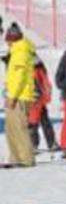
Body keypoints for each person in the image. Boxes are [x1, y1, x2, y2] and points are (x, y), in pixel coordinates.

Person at [4, 23, 37, 167]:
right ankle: (15, 158)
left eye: (8, 39)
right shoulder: (16, 52)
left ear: (13, 39)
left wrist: (13, 97)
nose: (7, 42)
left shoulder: (22, 52)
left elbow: (19, 77)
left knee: (19, 128)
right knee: (11, 128)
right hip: (13, 95)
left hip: (20, 97)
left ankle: (26, 159)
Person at [29, 58, 58, 151]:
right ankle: (33, 144)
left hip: (39, 99)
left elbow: (45, 82)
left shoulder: (38, 68)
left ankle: (51, 142)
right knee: (32, 122)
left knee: (42, 120)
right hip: (28, 99)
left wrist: (47, 95)